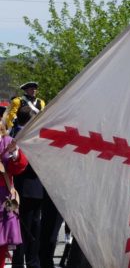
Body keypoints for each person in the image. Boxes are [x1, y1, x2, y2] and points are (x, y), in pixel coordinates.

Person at [11, 106, 44, 268]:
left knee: (28, 229)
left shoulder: (18, 135)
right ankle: (28, 262)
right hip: (29, 188)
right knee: (28, 229)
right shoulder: (25, 137)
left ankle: (25, 262)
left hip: (28, 188)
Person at [0, 122, 28, 268]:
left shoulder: (7, 141)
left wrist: (14, 153)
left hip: (2, 199)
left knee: (0, 247)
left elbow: (18, 167)